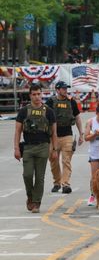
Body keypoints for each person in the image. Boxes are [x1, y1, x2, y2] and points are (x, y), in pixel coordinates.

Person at [14, 83, 58, 213]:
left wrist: (54, 149)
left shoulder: (49, 111)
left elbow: (54, 133)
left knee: (40, 177)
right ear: (30, 95)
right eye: (34, 94)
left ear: (42, 94)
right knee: (27, 175)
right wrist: (16, 148)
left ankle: (37, 202)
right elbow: (17, 131)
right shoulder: (23, 111)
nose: (37, 97)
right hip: (28, 147)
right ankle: (30, 196)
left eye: (39, 94)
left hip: (43, 147)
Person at [46, 81, 84, 194]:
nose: (65, 90)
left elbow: (77, 117)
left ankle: (65, 184)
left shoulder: (71, 101)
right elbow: (45, 118)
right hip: (53, 136)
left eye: (66, 88)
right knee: (54, 161)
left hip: (67, 135)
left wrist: (81, 134)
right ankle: (57, 182)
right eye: (63, 88)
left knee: (66, 161)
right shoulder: (50, 102)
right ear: (57, 90)